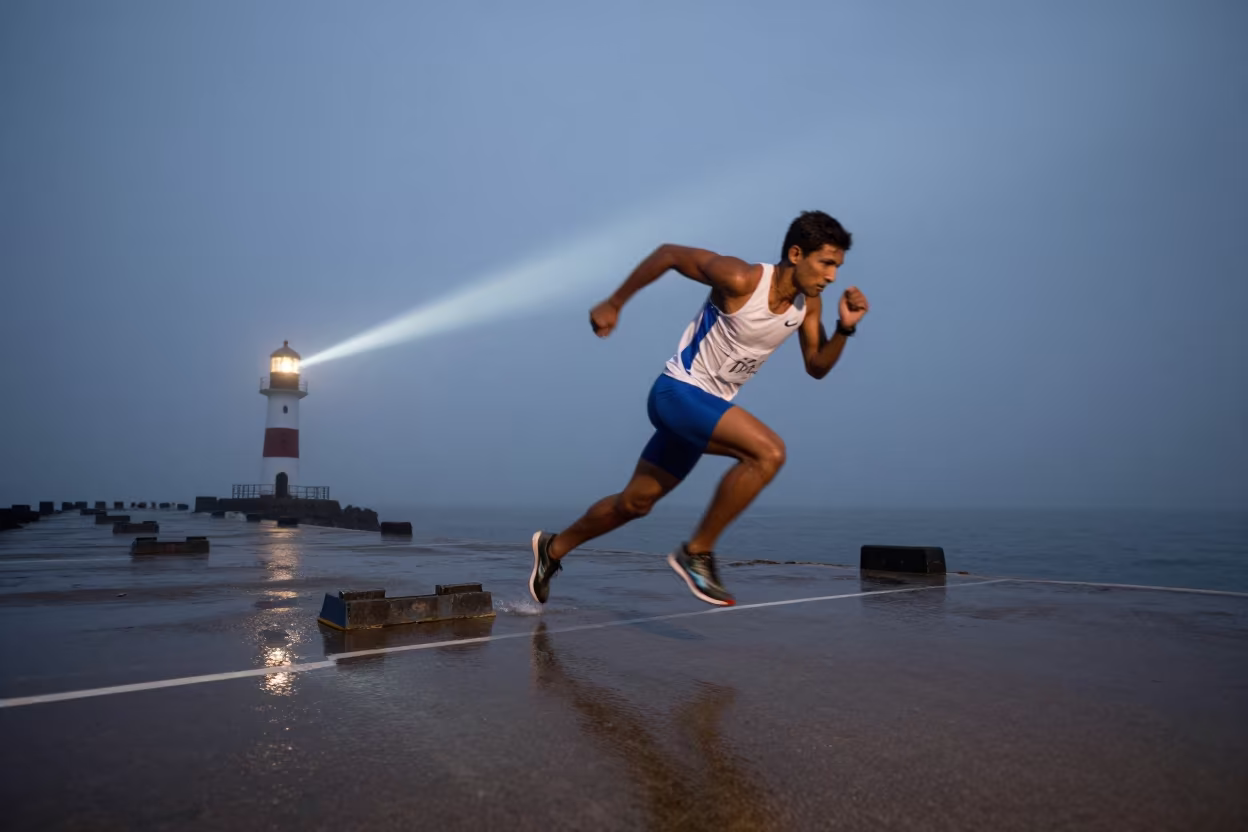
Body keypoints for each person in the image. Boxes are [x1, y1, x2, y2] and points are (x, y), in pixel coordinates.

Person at [530, 210, 869, 607]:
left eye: (837, 267)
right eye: (826, 263)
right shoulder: (740, 279)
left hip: (704, 410)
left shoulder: (807, 306)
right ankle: (697, 552)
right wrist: (614, 302)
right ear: (796, 254)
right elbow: (670, 253)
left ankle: (552, 550)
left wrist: (845, 328)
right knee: (768, 453)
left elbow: (816, 366)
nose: (831, 276)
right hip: (677, 394)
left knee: (636, 503)